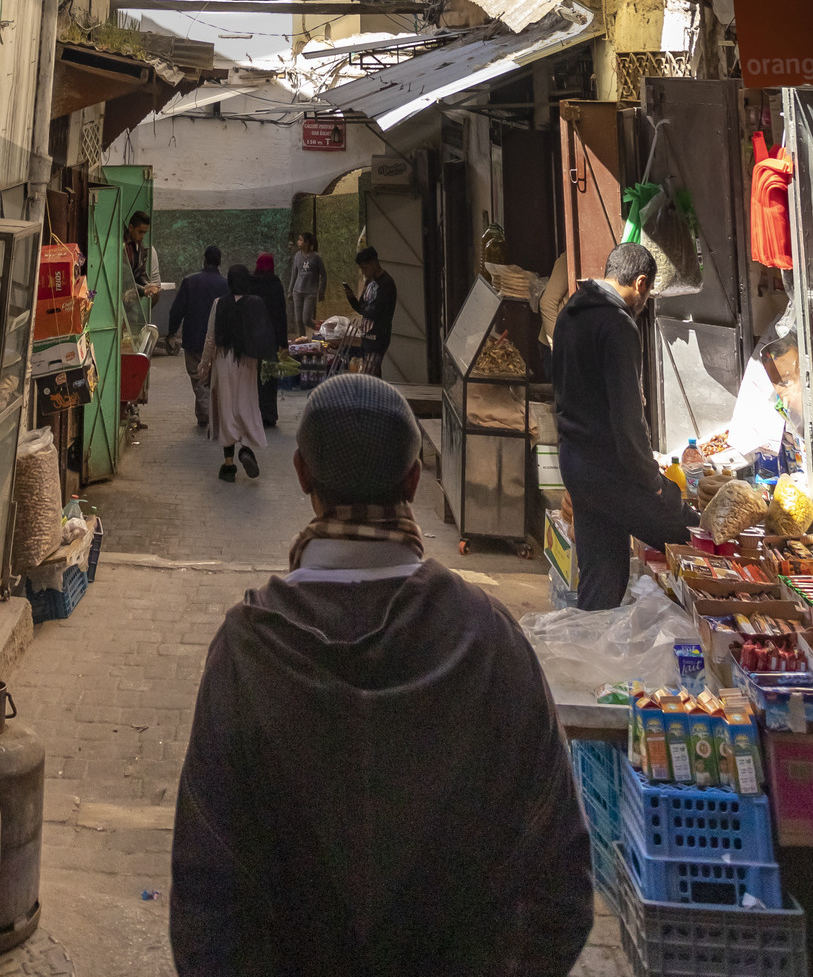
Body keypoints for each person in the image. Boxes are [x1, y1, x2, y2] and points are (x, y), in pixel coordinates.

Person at [171, 373, 594, 977]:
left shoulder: (246, 650)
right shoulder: (489, 638)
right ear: (415, 479)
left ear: (301, 476)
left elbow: (205, 900)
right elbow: (560, 881)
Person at [550, 240, 695, 610]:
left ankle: (592, 659)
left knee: (602, 580)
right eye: (647, 294)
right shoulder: (618, 327)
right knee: (691, 533)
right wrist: (655, 485)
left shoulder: (569, 314)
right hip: (609, 470)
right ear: (641, 283)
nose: (645, 304)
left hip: (576, 465)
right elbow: (628, 421)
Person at [201, 265, 274, 481]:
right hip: (248, 362)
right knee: (246, 405)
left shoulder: (218, 303)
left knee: (227, 409)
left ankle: (228, 465)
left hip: (224, 360)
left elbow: (210, 338)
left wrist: (204, 364)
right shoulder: (256, 303)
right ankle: (246, 448)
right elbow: (264, 334)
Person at [167, 246, 231, 430]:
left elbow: (177, 310)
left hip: (194, 338)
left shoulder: (189, 282)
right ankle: (204, 416)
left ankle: (207, 415)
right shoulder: (226, 284)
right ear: (219, 261)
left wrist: (171, 332)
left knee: (198, 378)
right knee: (211, 378)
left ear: (204, 259)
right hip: (218, 339)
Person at [246, 250, 289, 430]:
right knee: (269, 377)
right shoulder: (275, 284)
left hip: (252, 338)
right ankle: (269, 415)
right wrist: (283, 343)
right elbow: (281, 315)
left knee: (253, 378)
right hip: (270, 338)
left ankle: (253, 414)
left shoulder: (250, 283)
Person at [343, 246, 396, 374]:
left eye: (365, 268)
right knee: (373, 378)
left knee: (368, 377)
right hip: (367, 339)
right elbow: (361, 308)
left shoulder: (386, 284)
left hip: (378, 338)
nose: (364, 272)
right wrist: (351, 299)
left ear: (374, 263)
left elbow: (375, 312)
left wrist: (364, 308)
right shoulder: (369, 283)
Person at [288, 231, 326, 336]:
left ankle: (323, 330)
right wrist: (290, 291)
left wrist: (322, 290)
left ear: (307, 242)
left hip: (310, 292)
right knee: (298, 320)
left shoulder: (316, 257)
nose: (298, 242)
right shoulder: (297, 256)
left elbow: (323, 275)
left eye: (300, 240)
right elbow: (294, 274)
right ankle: (302, 342)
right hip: (297, 291)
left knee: (306, 320)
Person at [124, 210, 161, 306]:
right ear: (131, 228)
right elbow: (123, 278)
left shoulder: (140, 246)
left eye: (144, 233)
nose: (142, 236)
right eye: (140, 232)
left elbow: (141, 273)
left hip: (132, 296)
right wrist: (143, 290)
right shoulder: (123, 247)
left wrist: (149, 286)